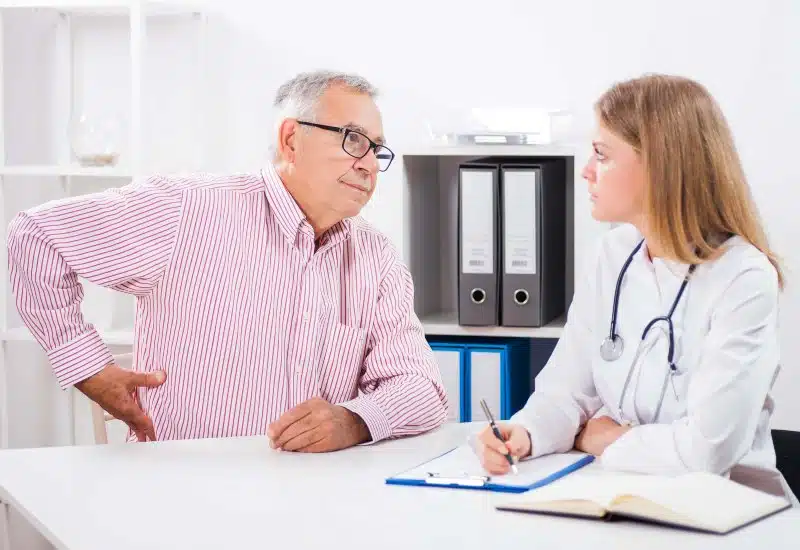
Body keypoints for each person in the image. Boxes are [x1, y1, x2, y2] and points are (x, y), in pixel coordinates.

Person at [7, 70, 448, 451]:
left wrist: (353, 421)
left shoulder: (376, 257)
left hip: (317, 504)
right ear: (292, 139)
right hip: (185, 498)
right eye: (354, 140)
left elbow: (421, 390)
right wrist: (88, 369)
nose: (370, 165)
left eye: (377, 150)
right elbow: (36, 236)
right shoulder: (186, 209)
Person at [477, 73, 796, 503]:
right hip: (623, 493)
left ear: (662, 166)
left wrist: (602, 440)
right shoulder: (613, 254)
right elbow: (566, 389)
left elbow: (707, 452)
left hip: (728, 512)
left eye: (602, 155)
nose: (586, 171)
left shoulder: (744, 277)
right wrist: (527, 433)